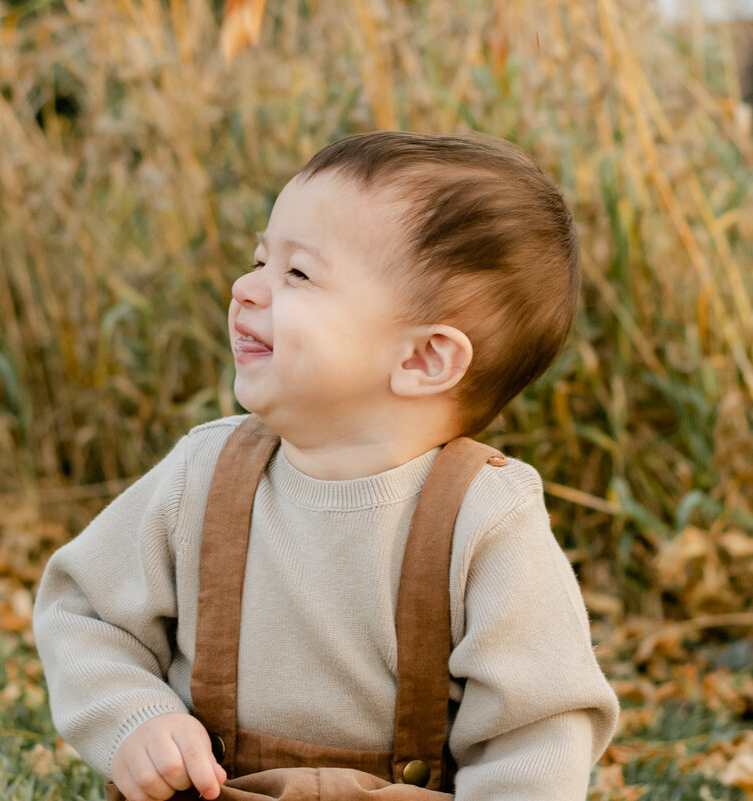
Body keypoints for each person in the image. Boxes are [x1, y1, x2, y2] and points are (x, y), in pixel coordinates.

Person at [32, 131, 620, 801]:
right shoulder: (205, 474)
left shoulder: (485, 521)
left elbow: (538, 734)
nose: (245, 288)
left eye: (298, 273)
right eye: (260, 259)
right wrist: (137, 718)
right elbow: (84, 610)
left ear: (423, 359)